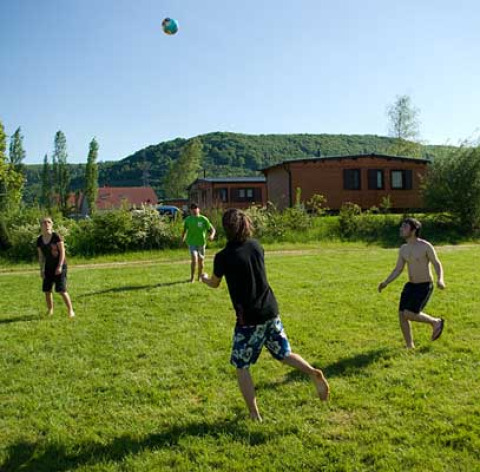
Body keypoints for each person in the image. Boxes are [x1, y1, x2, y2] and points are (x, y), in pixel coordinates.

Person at [201, 208, 329, 421]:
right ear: (246, 225)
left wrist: (204, 278)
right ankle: (312, 372)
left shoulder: (223, 257)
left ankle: (254, 413)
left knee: (241, 366)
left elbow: (215, 283)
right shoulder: (257, 246)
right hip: (270, 310)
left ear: (226, 229)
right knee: (284, 353)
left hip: (248, 320)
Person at [378, 217, 445, 349]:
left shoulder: (425, 246)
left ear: (413, 230)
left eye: (404, 227)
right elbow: (398, 269)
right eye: (401, 227)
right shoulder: (403, 249)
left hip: (424, 285)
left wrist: (440, 279)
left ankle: (435, 322)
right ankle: (410, 346)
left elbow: (437, 263)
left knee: (409, 313)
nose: (401, 229)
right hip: (410, 285)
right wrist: (386, 282)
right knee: (402, 315)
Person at [36, 217, 75, 318]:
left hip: (60, 266)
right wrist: (41, 269)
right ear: (41, 226)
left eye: (49, 222)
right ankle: (50, 310)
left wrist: (60, 266)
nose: (46, 224)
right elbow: (41, 257)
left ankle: (70, 311)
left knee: (61, 290)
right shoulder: (39, 240)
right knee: (47, 290)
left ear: (52, 224)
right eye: (44, 222)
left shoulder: (56, 236)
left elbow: (62, 252)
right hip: (48, 268)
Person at [181, 203, 216, 282]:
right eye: (192, 208)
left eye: (195, 208)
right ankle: (192, 278)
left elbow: (213, 229)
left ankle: (199, 277)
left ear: (198, 209)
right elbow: (184, 230)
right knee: (194, 258)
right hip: (191, 242)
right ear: (190, 210)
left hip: (201, 243)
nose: (194, 210)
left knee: (201, 260)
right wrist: (183, 238)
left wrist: (212, 235)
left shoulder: (203, 219)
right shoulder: (188, 220)